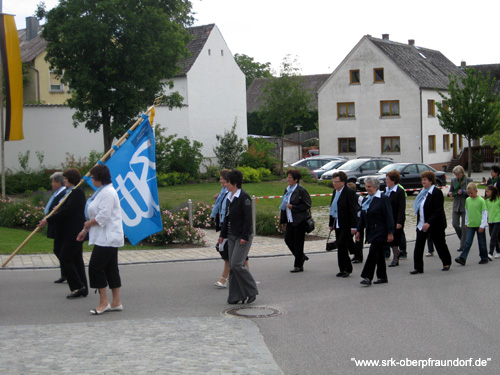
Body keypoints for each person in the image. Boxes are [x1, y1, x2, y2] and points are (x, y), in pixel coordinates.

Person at [77, 165, 124, 315]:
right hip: (103, 236)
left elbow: (103, 216)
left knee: (95, 267)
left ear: (99, 177)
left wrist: (88, 224)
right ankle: (116, 302)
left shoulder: (108, 193)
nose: (90, 179)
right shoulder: (101, 192)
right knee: (110, 268)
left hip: (108, 237)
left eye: (92, 176)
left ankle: (104, 302)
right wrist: (85, 230)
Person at [38, 169, 88, 298]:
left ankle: (77, 286)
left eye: (65, 178)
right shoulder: (71, 192)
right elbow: (66, 208)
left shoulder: (77, 192)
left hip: (74, 232)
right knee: (76, 259)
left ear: (71, 179)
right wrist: (58, 209)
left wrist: (48, 219)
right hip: (69, 232)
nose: (64, 180)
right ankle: (83, 287)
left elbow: (68, 211)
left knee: (65, 257)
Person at [218, 170, 258, 304]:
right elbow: (227, 218)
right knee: (233, 269)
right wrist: (222, 235)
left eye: (227, 183)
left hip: (242, 237)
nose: (225, 185)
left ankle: (251, 290)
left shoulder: (244, 197)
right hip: (231, 235)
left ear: (234, 183)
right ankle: (235, 296)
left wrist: (245, 236)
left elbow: (248, 219)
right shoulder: (230, 196)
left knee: (236, 264)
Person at [410, 171, 452, 274]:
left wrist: (429, 222)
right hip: (421, 224)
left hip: (435, 224)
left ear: (430, 181)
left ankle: (446, 262)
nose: (423, 182)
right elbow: (420, 208)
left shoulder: (436, 192)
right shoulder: (422, 193)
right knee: (419, 246)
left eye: (425, 180)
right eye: (422, 180)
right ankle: (418, 267)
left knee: (440, 244)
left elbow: (437, 210)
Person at [357, 177, 394, 286]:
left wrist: (390, 232)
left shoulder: (383, 199)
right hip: (371, 231)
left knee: (373, 253)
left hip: (381, 231)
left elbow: (389, 216)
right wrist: (359, 230)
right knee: (379, 254)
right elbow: (362, 217)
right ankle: (382, 276)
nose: (367, 188)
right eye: (366, 186)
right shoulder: (366, 199)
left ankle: (367, 277)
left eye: (369, 186)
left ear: (376, 187)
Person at [280, 169, 312, 273]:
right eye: (287, 177)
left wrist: (293, 207)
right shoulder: (287, 189)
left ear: (296, 179)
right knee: (288, 240)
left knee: (298, 242)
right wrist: (283, 221)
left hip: (299, 220)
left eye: (290, 178)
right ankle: (301, 256)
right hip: (290, 219)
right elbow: (283, 206)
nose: (288, 179)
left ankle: (298, 265)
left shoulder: (301, 190)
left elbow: (307, 205)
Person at [329, 172, 358, 278]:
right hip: (337, 223)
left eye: (336, 182)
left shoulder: (348, 192)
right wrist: (331, 223)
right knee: (341, 246)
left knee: (342, 244)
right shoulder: (335, 192)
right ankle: (342, 269)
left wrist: (354, 227)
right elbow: (332, 208)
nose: (334, 184)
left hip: (347, 224)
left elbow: (353, 210)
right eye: (333, 181)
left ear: (343, 182)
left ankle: (347, 268)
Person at [455, 183, 489, 266]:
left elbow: (484, 213)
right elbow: (467, 212)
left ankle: (484, 257)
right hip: (471, 225)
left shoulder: (481, 200)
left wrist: (482, 225)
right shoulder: (468, 200)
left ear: (476, 191)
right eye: (469, 193)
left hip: (479, 225)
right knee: (467, 242)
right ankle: (463, 258)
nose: (470, 195)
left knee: (482, 242)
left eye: (472, 193)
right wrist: (466, 223)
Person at [44, 171, 67, 283]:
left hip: (61, 226)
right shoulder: (57, 193)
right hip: (55, 224)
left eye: (53, 182)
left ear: (58, 182)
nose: (52, 184)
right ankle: (65, 273)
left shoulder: (63, 193)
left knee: (60, 250)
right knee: (58, 249)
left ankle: (67, 272)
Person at [211, 169, 231, 287]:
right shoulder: (224, 191)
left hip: (229, 225)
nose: (220, 180)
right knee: (227, 250)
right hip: (224, 222)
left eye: (221, 178)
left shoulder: (232, 194)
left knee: (225, 250)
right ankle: (246, 277)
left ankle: (225, 277)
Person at [447, 165, 471, 253]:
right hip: (456, 205)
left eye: (458, 174)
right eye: (455, 174)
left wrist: (464, 192)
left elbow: (471, 192)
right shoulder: (453, 181)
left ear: (462, 173)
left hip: (465, 205)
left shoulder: (468, 180)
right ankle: (464, 240)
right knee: (455, 224)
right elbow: (451, 191)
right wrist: (450, 194)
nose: (457, 176)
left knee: (464, 226)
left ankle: (462, 245)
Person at [385, 170, 406, 267]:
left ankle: (395, 258)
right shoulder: (387, 191)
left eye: (388, 179)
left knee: (395, 239)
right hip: (388, 218)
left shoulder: (399, 191)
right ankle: (397, 253)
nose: (386, 181)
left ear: (393, 180)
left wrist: (400, 221)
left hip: (396, 218)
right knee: (389, 239)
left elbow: (402, 208)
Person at [485, 185, 500, 259]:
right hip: (490, 220)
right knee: (493, 236)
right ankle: (498, 251)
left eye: (488, 191)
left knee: (493, 236)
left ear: (492, 192)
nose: (486, 193)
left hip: (498, 220)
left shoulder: (498, 199)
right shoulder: (487, 200)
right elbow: (485, 211)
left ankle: (490, 253)